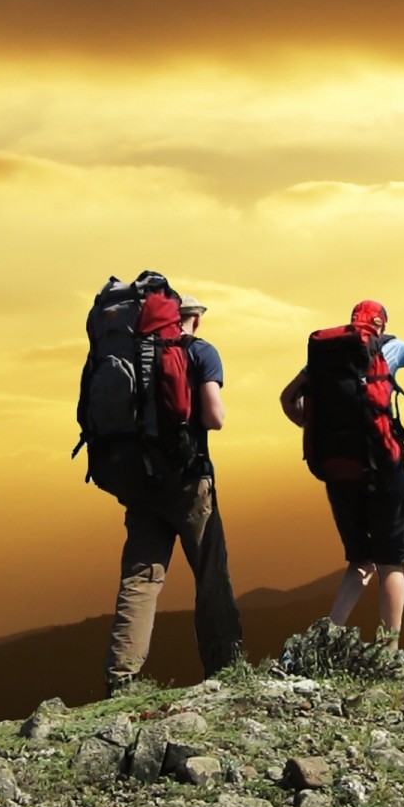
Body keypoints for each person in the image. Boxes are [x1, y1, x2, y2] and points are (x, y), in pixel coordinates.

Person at [279, 300, 404, 636]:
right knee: (390, 562)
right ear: (382, 325)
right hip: (383, 469)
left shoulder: (326, 356)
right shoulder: (392, 347)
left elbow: (287, 398)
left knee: (360, 560)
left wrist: (314, 426)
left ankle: (327, 638)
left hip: (337, 468)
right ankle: (389, 650)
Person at [102, 295, 243, 694]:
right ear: (194, 319)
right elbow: (214, 417)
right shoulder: (200, 352)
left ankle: (121, 676)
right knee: (211, 573)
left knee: (141, 576)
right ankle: (225, 669)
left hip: (141, 483)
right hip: (189, 480)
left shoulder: (131, 355)